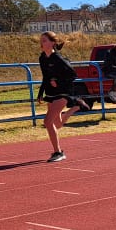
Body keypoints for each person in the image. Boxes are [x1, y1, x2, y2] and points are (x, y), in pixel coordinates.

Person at [37, 31, 90, 163]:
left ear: (52, 43)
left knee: (47, 122)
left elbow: (72, 75)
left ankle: (58, 152)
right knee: (57, 124)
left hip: (63, 92)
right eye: (41, 40)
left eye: (44, 40)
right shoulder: (42, 58)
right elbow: (45, 77)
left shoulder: (59, 59)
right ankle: (75, 107)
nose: (42, 43)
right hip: (50, 93)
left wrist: (58, 82)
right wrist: (40, 93)